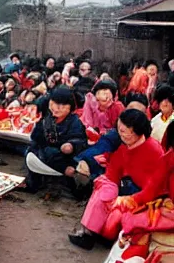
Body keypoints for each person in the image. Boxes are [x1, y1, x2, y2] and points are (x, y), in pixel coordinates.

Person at [69, 109, 164, 249]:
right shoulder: (125, 147)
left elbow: (156, 185)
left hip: (145, 194)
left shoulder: (154, 150)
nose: (120, 134)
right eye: (119, 129)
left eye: (124, 131)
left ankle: (95, 233)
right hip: (126, 184)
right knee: (104, 187)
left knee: (108, 193)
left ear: (136, 131)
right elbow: (114, 171)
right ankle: (90, 232)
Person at [24, 87, 87, 193]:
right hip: (49, 156)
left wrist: (71, 145)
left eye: (62, 106)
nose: (57, 108)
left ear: (70, 107)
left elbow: (80, 140)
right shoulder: (47, 119)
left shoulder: (74, 121)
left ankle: (72, 181)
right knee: (32, 152)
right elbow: (36, 139)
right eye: (54, 104)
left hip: (67, 157)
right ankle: (38, 181)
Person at [74, 93, 149, 181]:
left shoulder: (147, 140)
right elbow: (102, 146)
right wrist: (88, 161)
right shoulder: (115, 133)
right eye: (129, 111)